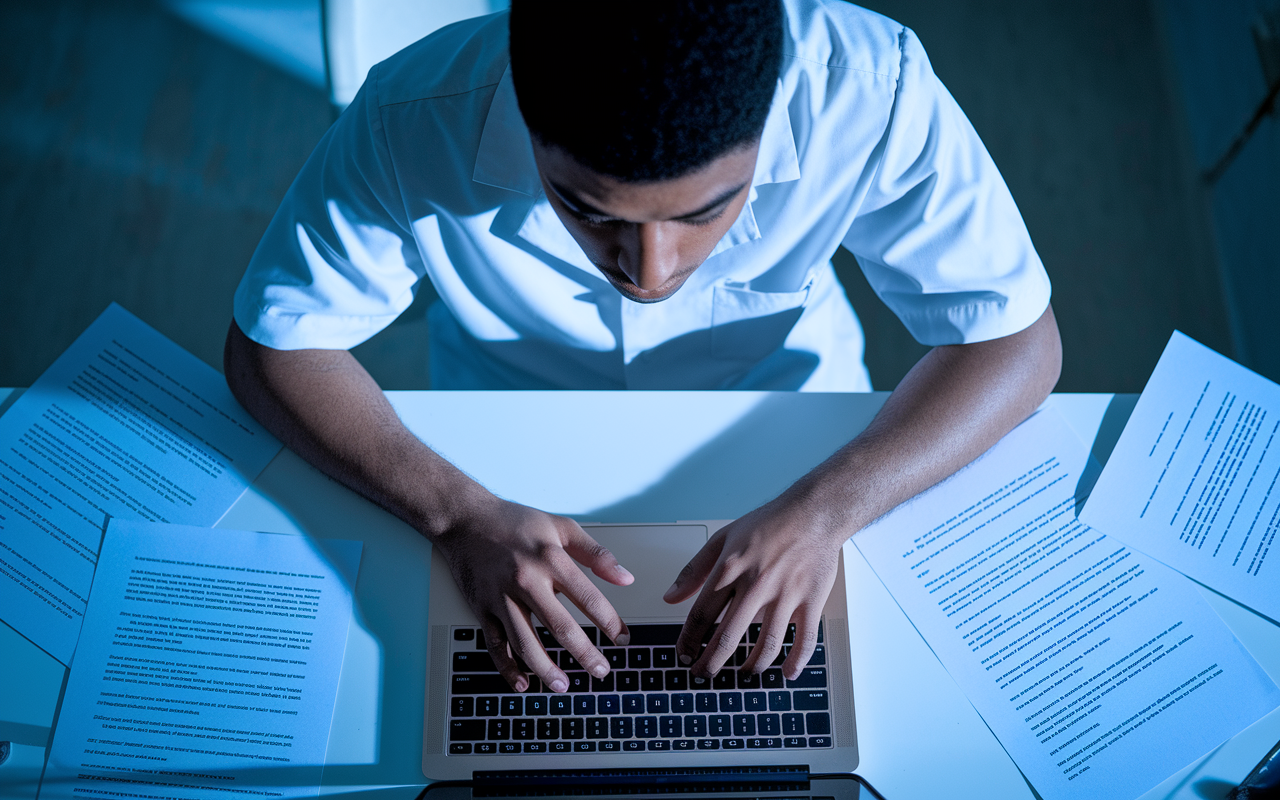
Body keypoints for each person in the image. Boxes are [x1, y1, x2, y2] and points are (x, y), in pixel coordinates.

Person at [225, 0, 1061, 696]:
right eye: (588, 210)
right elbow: (271, 348)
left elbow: (1018, 343)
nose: (649, 272)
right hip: (506, 458)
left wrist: (828, 510)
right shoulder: (413, 117)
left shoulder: (870, 87)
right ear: (522, 106)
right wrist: (455, 513)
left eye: (705, 211)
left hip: (798, 438)